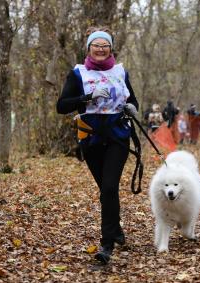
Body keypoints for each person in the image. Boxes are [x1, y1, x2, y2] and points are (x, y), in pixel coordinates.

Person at [56, 27, 139, 265]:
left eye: (105, 46)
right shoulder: (78, 74)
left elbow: (132, 99)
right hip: (91, 137)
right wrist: (87, 97)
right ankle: (116, 228)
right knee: (106, 189)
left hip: (117, 136)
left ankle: (107, 245)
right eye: (96, 45)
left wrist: (132, 107)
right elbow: (61, 106)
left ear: (111, 48)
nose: (101, 49)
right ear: (89, 48)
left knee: (110, 187)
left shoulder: (121, 72)